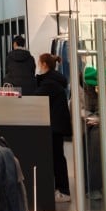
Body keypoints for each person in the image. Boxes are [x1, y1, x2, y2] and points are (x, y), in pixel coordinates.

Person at [35, 53, 73, 202]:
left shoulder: (49, 83)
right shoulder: (53, 79)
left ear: (44, 64)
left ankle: (63, 191)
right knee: (58, 157)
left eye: (39, 63)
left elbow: (36, 96)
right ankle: (61, 189)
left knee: (57, 158)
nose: (38, 65)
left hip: (55, 126)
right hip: (57, 124)